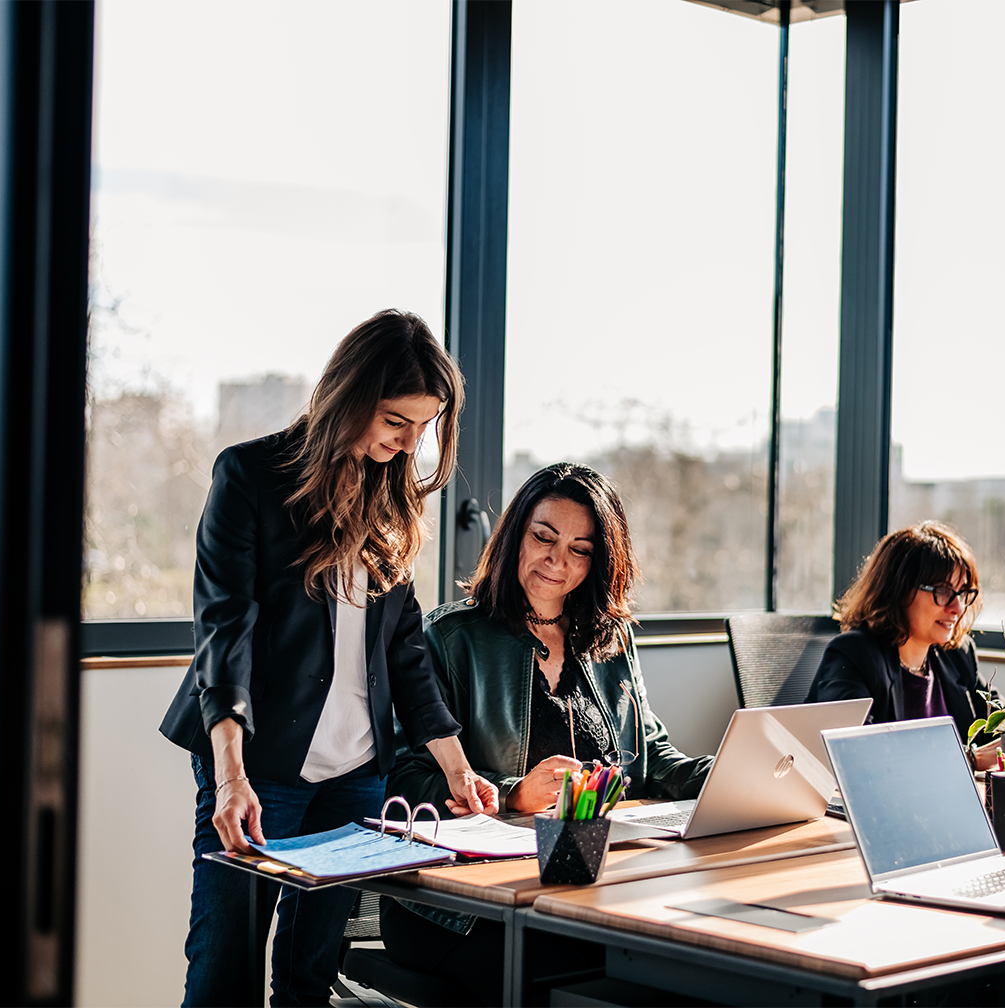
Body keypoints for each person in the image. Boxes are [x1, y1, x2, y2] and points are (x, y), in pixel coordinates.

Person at [158, 309, 499, 1007]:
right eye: (397, 422)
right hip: (258, 767)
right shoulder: (252, 475)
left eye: (423, 428)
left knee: (311, 978)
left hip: (355, 776)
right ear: (351, 397)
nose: (410, 445)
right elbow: (226, 630)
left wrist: (458, 771)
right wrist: (230, 775)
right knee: (224, 968)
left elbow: (405, 653)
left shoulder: (389, 495)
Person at [379, 462, 713, 1005]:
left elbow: (649, 756)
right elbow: (401, 776)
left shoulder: (611, 640)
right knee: (573, 987)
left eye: (580, 549)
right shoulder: (450, 637)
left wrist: (730, 773)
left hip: (588, 888)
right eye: (544, 538)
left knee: (686, 967)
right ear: (515, 536)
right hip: (459, 907)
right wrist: (511, 793)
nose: (558, 561)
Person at [804, 521, 1001, 766]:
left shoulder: (958, 655)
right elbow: (858, 754)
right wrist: (970, 759)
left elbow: (1004, 721)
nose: (957, 608)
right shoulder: (854, 655)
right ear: (898, 590)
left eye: (962, 592)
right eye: (942, 591)